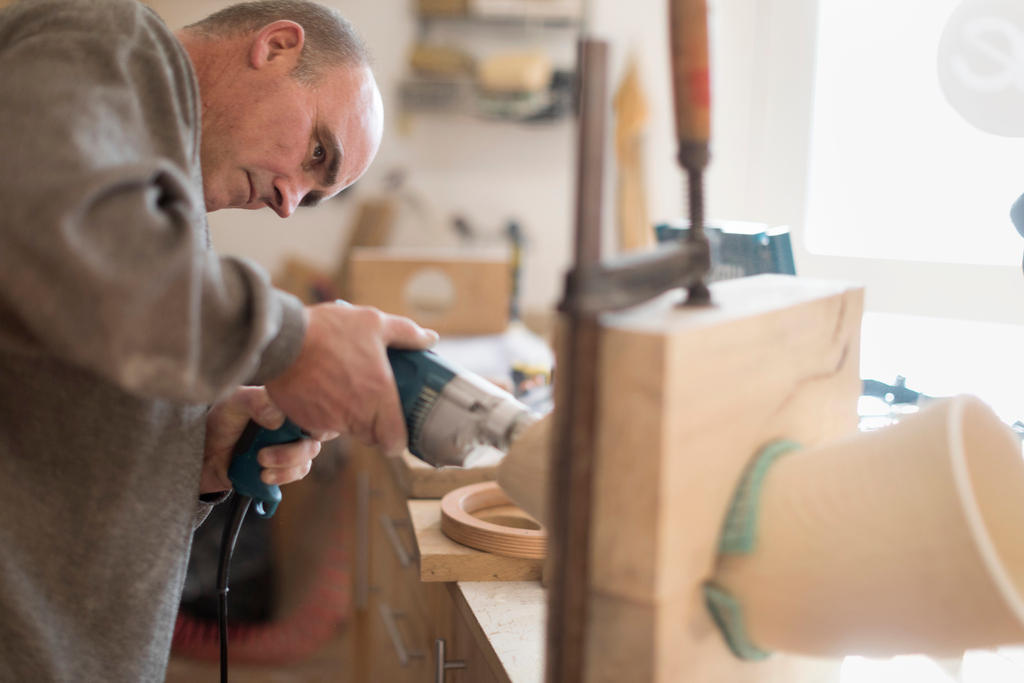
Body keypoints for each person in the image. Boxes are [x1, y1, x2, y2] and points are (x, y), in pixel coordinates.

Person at [0, 0, 436, 680]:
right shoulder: (106, 36)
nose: (290, 203)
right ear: (278, 47)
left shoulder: (164, 220)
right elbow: (55, 231)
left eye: (316, 196)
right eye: (317, 152)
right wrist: (294, 338)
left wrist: (193, 453)